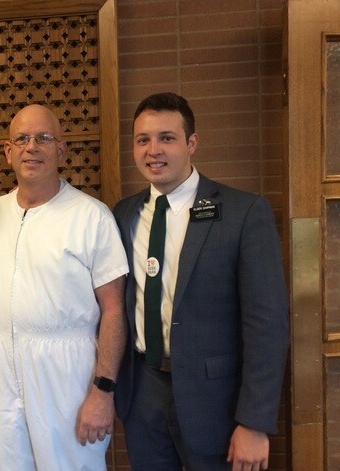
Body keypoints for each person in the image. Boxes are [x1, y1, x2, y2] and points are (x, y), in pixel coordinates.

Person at [113, 92, 289, 471]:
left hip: (217, 402)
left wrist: (254, 422)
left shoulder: (243, 212)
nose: (153, 150)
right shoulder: (123, 214)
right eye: (143, 139)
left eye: (167, 138)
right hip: (143, 392)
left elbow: (267, 324)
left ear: (192, 143)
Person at [0, 104, 129, 470]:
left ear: (61, 151)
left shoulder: (91, 215)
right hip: (3, 369)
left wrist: (102, 391)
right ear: (8, 151)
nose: (32, 147)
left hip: (68, 375)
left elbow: (114, 310)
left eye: (44, 138)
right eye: (22, 139)